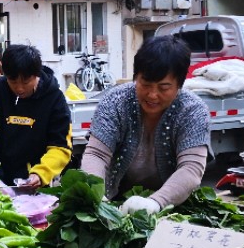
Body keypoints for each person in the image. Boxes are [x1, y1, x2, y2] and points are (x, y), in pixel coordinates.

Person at [80, 35, 210, 214]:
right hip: (113, 203)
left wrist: (157, 202)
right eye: (145, 84)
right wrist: (96, 195)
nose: (152, 95)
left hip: (170, 207)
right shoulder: (115, 101)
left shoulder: (192, 110)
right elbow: (96, 154)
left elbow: (191, 168)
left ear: (179, 84)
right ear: (136, 77)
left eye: (163, 88)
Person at [0, 45, 72, 189]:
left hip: (35, 184)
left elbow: (61, 147)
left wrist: (40, 174)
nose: (19, 88)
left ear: (36, 75)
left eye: (26, 82)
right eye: (13, 82)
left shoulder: (54, 99)